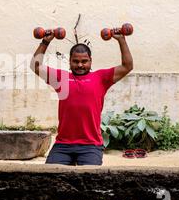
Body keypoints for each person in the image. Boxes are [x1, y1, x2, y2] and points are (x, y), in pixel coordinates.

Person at [30, 30, 133, 165]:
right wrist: (45, 41)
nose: (80, 65)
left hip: (90, 145)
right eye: (75, 61)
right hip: (63, 145)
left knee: (90, 181)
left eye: (84, 61)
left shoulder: (101, 78)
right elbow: (35, 66)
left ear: (90, 61)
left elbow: (127, 66)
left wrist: (121, 40)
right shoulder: (61, 78)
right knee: (51, 177)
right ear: (70, 61)